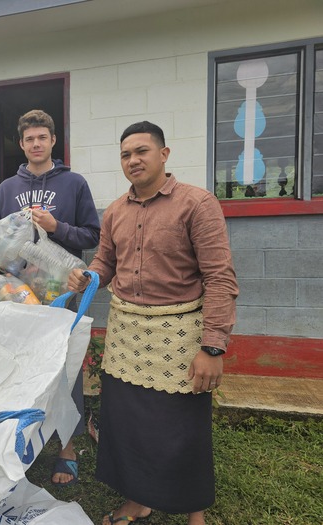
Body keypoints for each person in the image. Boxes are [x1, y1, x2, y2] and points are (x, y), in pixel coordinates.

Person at [68, 121, 239, 525]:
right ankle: (138, 502)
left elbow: (220, 277)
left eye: (142, 151)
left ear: (164, 154)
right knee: (127, 427)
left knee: (183, 429)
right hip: (126, 334)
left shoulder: (197, 204)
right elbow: (105, 263)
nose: (133, 160)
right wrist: (88, 277)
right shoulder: (114, 211)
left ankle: (194, 514)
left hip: (179, 335)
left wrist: (212, 347)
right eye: (126, 154)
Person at [0, 109, 101, 486]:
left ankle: (67, 447)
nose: (36, 144)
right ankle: (22, 439)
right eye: (29, 138)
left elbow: (92, 236)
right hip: (17, 297)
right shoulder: (6, 189)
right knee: (19, 364)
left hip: (64, 292)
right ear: (22, 143)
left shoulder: (74, 184)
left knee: (68, 365)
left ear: (52, 141)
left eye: (42, 138)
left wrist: (56, 226)